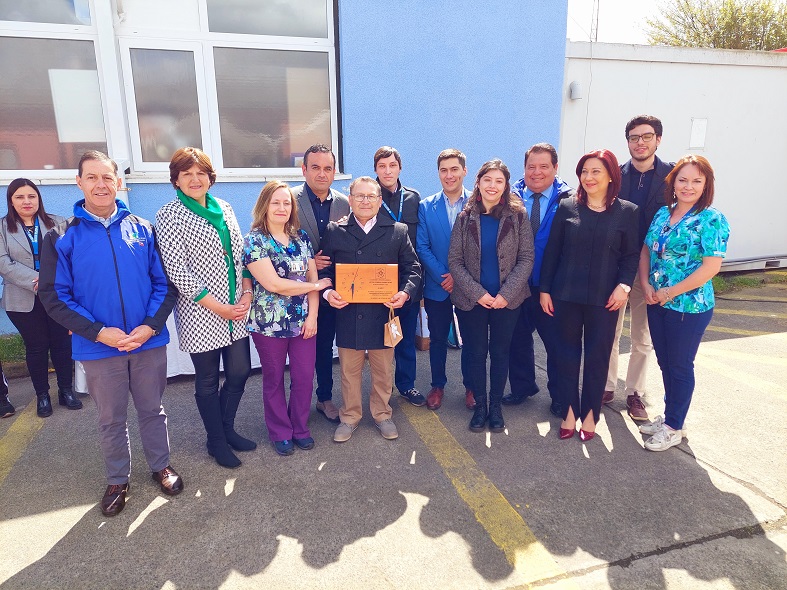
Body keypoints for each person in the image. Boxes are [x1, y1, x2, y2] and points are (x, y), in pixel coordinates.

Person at [39, 150, 182, 517]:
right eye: (92, 177)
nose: (101, 184)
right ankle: (118, 479)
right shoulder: (60, 236)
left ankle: (160, 467)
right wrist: (100, 332)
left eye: (107, 177)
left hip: (147, 341)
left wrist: (149, 326)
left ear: (118, 181)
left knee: (153, 410)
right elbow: (54, 296)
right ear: (79, 182)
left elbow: (164, 284)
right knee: (110, 418)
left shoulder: (143, 228)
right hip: (99, 347)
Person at [155, 147, 255, 469]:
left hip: (235, 309)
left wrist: (247, 292)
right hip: (201, 312)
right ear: (176, 180)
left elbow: (239, 255)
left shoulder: (224, 207)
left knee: (240, 372)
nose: (195, 179)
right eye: (187, 174)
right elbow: (177, 271)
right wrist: (218, 307)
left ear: (210, 178)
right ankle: (215, 441)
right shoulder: (168, 215)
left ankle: (227, 430)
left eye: (201, 173)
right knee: (208, 379)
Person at [540, 150, 639, 441]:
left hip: (605, 299)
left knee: (597, 358)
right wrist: (545, 289)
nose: (589, 177)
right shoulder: (567, 207)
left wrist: (624, 286)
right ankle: (570, 412)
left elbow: (631, 255)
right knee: (566, 357)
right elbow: (553, 252)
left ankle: (591, 415)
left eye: (596, 171)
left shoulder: (628, 212)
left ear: (611, 175)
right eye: (584, 171)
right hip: (565, 296)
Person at [319, 176, 421, 442]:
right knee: (349, 371)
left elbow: (412, 269)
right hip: (348, 314)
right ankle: (350, 416)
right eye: (359, 196)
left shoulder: (397, 231)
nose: (365, 201)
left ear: (379, 200)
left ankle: (382, 414)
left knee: (383, 369)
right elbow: (325, 270)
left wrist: (404, 293)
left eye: (371, 196)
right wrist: (328, 293)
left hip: (383, 315)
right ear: (350, 200)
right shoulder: (334, 231)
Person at [638, 155, 729, 451]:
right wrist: (646, 284)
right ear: (673, 183)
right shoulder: (664, 214)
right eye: (683, 179)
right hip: (656, 301)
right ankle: (672, 416)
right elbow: (646, 251)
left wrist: (669, 292)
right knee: (665, 363)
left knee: (679, 365)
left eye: (696, 181)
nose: (688, 186)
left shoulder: (711, 219)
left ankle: (675, 426)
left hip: (689, 307)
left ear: (706, 185)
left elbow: (710, 267)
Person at [244, 181, 333, 455]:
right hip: (268, 325)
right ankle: (280, 431)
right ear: (265, 206)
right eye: (276, 202)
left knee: (304, 377)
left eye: (286, 203)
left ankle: (300, 428)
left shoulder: (301, 238)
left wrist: (314, 315)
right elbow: (274, 285)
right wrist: (314, 288)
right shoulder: (254, 240)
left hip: (303, 321)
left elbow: (312, 276)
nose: (282, 208)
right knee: (273, 379)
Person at [448, 159, 534, 433]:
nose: (493, 186)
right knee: (475, 352)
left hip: (507, 301)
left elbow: (526, 258)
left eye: (499, 181)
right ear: (478, 182)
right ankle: (481, 406)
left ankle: (496, 407)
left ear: (506, 185)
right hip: (472, 300)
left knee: (499, 352)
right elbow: (455, 260)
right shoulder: (465, 217)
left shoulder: (518, 216)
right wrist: (478, 293)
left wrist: (506, 295)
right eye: (488, 180)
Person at [606, 115, 674, 421]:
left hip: (653, 268)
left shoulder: (673, 176)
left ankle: (635, 393)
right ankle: (606, 386)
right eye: (634, 137)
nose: (640, 143)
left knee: (642, 336)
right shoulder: (615, 176)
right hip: (617, 265)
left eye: (646, 137)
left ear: (658, 139)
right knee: (609, 330)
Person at [502, 144, 575, 417]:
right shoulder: (510, 197)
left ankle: (559, 396)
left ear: (556, 168)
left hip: (552, 287)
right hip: (516, 284)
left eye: (544, 166)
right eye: (531, 166)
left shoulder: (568, 200)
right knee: (516, 339)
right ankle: (522, 386)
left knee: (556, 343)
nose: (537, 172)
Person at [1, 179, 80, 417]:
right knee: (36, 347)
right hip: (22, 299)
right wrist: (39, 281)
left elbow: (71, 256)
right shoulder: (3, 228)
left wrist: (52, 282)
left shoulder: (58, 222)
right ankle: (42, 396)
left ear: (38, 199)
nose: (26, 202)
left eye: (31, 196)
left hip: (58, 296)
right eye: (20, 197)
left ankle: (66, 390)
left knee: (62, 344)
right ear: (11, 201)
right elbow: (4, 263)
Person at [294, 144, 350, 424]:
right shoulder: (289, 200)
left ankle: (324, 397)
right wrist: (309, 263)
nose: (321, 173)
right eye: (315, 167)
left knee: (328, 343)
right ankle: (302, 402)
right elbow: (278, 241)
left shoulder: (344, 203)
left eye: (328, 168)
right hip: (298, 289)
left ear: (334, 172)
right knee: (307, 348)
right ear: (304, 169)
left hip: (336, 288)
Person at [416, 149, 473, 411]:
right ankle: (437, 385)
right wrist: (444, 276)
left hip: (470, 286)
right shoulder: (426, 206)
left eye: (454, 169)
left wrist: (461, 278)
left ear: (464, 171)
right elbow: (422, 246)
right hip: (437, 286)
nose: (449, 175)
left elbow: (481, 248)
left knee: (472, 339)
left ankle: (472, 386)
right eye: (443, 170)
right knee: (437, 338)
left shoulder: (478, 203)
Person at [374, 146, 424, 407]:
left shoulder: (414, 199)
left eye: (392, 165)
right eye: (382, 166)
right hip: (376, 282)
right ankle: (380, 389)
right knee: (378, 342)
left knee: (403, 337)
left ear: (400, 168)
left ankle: (407, 385)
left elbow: (421, 241)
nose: (387, 170)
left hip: (408, 281)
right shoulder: (369, 197)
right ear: (376, 170)